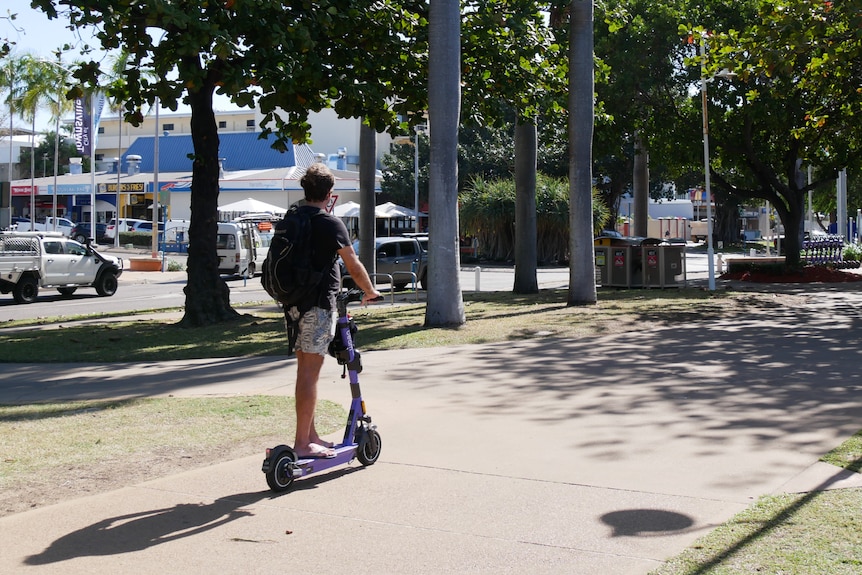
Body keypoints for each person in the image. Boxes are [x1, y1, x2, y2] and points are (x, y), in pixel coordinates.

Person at [287, 162, 381, 459]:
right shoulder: (328, 222)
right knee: (310, 375)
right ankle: (302, 444)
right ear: (329, 193)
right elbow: (352, 262)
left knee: (304, 371)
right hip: (317, 305)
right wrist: (370, 291)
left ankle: (310, 435)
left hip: (293, 303)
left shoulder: (292, 217)